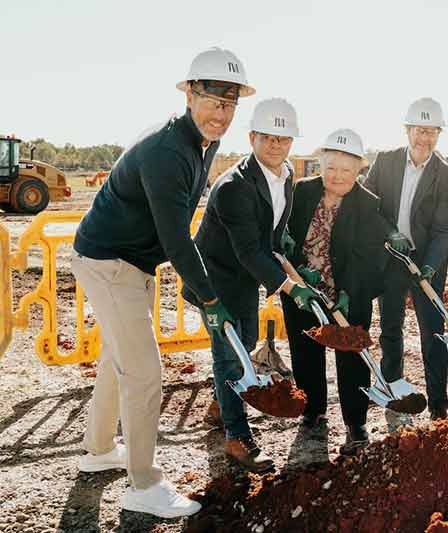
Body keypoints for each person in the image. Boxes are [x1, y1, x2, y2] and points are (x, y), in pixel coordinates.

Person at [70, 47, 254, 518]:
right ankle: (143, 486)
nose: (222, 114)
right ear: (190, 93)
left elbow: (179, 226)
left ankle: (97, 451)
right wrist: (211, 298)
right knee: (145, 371)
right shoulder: (168, 151)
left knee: (119, 358)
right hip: (110, 261)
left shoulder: (202, 143)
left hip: (129, 262)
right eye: (214, 101)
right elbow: (177, 240)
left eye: (231, 104)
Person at [182, 98, 316, 471]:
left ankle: (218, 406)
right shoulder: (233, 187)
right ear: (253, 136)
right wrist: (291, 288)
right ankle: (237, 438)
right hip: (215, 279)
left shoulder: (286, 176)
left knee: (248, 343)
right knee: (230, 355)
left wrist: (289, 257)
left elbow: (270, 238)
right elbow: (246, 251)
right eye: (268, 137)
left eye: (284, 138)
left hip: (245, 278)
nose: (276, 145)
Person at [281, 129, 392, 455]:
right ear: (321, 164)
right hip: (303, 289)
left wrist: (347, 292)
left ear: (358, 170)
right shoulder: (301, 192)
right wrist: (298, 267)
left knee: (352, 356)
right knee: (305, 350)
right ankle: (312, 410)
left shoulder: (368, 205)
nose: (337, 176)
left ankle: (355, 422)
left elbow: (369, 257)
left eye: (346, 170)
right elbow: (285, 234)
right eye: (331, 168)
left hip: (348, 294)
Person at [363, 97, 448, 422]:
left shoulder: (446, 175)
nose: (425, 138)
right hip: (391, 258)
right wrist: (390, 233)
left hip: (426, 261)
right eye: (419, 130)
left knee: (433, 332)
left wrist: (430, 266)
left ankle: (439, 406)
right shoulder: (385, 161)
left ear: (438, 135)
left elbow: (444, 229)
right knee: (391, 327)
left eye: (432, 132)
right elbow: (369, 207)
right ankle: (394, 390)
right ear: (407, 130)